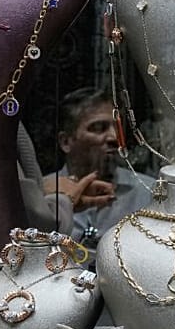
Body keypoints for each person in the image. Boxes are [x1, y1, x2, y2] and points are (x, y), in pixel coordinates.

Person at [41, 87, 155, 246]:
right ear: (66, 142)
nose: (114, 137)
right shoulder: (42, 195)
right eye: (98, 128)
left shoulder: (149, 193)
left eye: (117, 127)